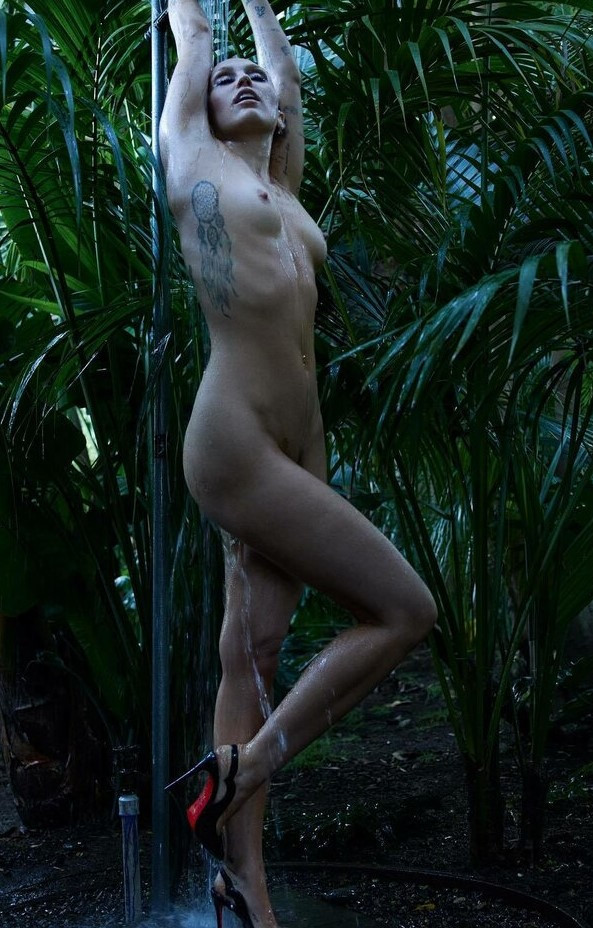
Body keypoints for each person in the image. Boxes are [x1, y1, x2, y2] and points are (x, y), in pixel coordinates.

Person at [160, 1, 437, 925]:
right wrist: (206, 33)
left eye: (256, 81)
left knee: (256, 656)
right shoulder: (192, 157)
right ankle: (246, 768)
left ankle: (244, 888)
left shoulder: (282, 189)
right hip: (236, 437)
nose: (244, 80)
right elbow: (194, 34)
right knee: (403, 611)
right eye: (225, 79)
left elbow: (285, 74)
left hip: (298, 440)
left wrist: (262, 11)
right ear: (201, 101)